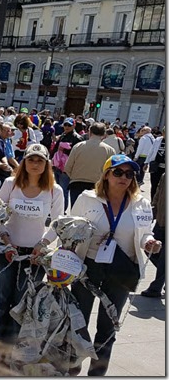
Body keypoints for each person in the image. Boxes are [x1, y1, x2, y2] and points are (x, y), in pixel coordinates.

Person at [68, 154, 161, 376]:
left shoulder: (141, 203)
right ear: (107, 175)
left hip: (122, 267)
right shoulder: (87, 198)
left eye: (130, 174)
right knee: (78, 321)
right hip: (88, 265)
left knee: (108, 327)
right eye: (118, 172)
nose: (124, 178)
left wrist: (149, 241)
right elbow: (71, 227)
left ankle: (98, 372)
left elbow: (144, 231)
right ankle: (74, 362)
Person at [0, 143, 64, 346]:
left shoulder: (54, 190)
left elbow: (58, 223)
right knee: (1, 300)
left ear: (47, 164)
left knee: (24, 303)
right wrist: (5, 239)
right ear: (24, 162)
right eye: (31, 159)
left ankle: (13, 347)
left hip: (34, 256)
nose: (35, 164)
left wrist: (43, 243)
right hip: (6, 251)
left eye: (40, 160)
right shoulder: (10, 184)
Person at [65, 122, 116, 207]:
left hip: (77, 184)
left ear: (90, 132)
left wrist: (74, 177)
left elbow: (67, 167)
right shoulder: (110, 150)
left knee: (76, 212)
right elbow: (111, 171)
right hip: (97, 186)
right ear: (104, 134)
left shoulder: (78, 146)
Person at [141, 173, 165, 298]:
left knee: (164, 259)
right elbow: (157, 196)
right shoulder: (165, 175)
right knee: (149, 249)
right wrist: (151, 213)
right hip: (160, 222)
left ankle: (155, 288)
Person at [147, 132, 165, 199]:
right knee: (154, 184)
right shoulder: (158, 140)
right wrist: (146, 162)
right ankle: (153, 201)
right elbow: (151, 151)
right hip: (156, 166)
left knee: (163, 187)